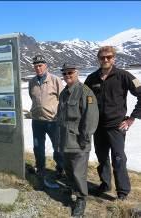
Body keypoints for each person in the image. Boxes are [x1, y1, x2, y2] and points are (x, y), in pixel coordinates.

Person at [85, 46, 141, 200]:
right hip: (98, 127)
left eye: (109, 57)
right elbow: (83, 100)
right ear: (98, 59)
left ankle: (122, 192)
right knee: (102, 157)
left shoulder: (124, 76)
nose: (105, 60)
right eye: (102, 57)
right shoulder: (91, 78)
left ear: (114, 58)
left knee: (118, 158)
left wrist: (131, 118)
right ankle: (105, 184)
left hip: (116, 126)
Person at [57, 63, 99, 216]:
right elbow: (61, 116)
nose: (68, 75)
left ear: (77, 73)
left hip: (78, 140)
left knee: (78, 172)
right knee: (69, 169)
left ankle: (81, 199)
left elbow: (91, 118)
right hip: (65, 140)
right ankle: (71, 189)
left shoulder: (85, 92)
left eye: (70, 72)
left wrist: (85, 138)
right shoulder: (63, 93)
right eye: (65, 73)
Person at [29, 54, 64, 181]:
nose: (38, 68)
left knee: (58, 147)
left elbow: (62, 98)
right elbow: (32, 97)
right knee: (38, 147)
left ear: (45, 66)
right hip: (37, 121)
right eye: (36, 66)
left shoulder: (55, 80)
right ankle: (40, 168)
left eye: (40, 65)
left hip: (53, 121)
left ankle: (60, 169)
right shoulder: (32, 82)